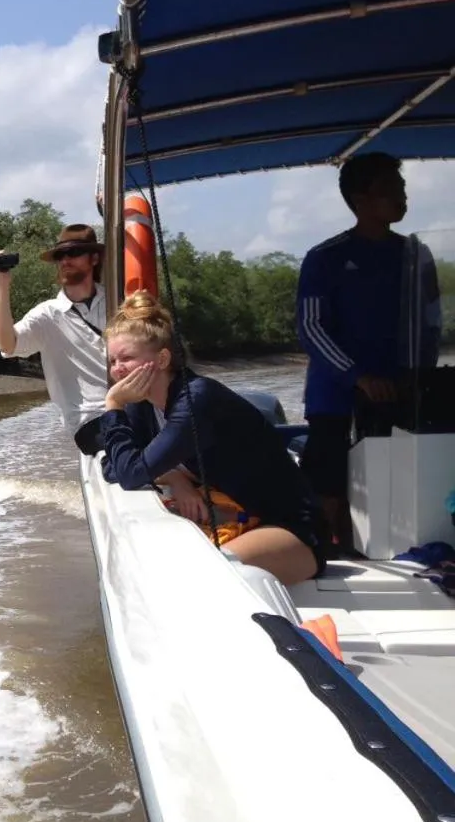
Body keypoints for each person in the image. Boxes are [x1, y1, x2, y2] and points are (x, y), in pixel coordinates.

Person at [98, 291, 323, 585]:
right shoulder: (143, 405)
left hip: (291, 531)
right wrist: (175, 478)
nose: (117, 369)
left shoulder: (197, 401)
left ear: (162, 358)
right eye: (113, 360)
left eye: (126, 358)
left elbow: (131, 473)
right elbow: (112, 466)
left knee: (202, 573)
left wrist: (113, 405)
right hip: (238, 520)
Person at [294, 151, 410, 557]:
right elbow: (310, 328)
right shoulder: (325, 258)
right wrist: (358, 376)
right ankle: (323, 556)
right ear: (361, 200)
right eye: (391, 189)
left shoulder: (411, 256)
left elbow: (428, 322)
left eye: (402, 188)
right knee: (328, 481)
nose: (402, 197)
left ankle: (391, 548)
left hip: (400, 388)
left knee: (401, 477)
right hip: (335, 393)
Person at [0, 224, 108, 433]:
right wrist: (2, 284)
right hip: (88, 422)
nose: (65, 260)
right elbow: (8, 345)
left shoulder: (118, 302)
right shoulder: (47, 315)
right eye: (60, 255)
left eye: (74, 252)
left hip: (131, 413)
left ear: (94, 259)